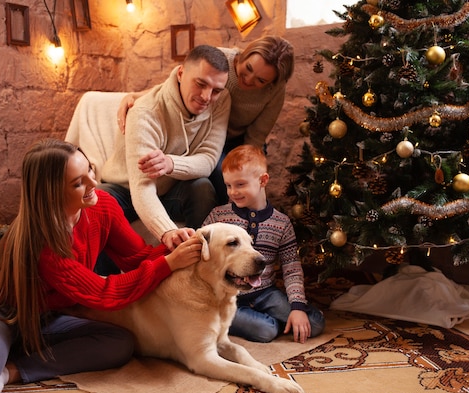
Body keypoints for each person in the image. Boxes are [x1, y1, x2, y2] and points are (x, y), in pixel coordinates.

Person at [0, 139, 202, 393]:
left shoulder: (103, 206)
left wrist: (171, 243)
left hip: (47, 314)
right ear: (50, 194)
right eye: (78, 183)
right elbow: (103, 293)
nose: (94, 184)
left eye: (90, 172)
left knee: (119, 343)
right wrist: (169, 264)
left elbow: (136, 257)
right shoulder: (43, 242)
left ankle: (10, 371)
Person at [117, 36, 295, 205]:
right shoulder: (221, 58)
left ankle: (247, 222)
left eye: (260, 80)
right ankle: (220, 219)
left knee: (247, 178)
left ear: (272, 83)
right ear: (244, 55)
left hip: (241, 140)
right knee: (219, 174)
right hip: (207, 130)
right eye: (248, 68)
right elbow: (178, 83)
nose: (248, 80)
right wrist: (136, 96)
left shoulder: (275, 91)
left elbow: (257, 135)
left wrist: (246, 165)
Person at [98, 45, 231, 251]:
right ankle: (108, 279)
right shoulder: (144, 112)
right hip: (125, 188)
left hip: (171, 188)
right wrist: (167, 231)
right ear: (180, 73)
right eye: (200, 84)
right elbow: (143, 186)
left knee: (202, 187)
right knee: (98, 202)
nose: (206, 96)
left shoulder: (221, 101)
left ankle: (202, 264)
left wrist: (170, 163)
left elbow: (208, 160)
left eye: (215, 90)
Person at [202, 145, 325, 343]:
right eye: (228, 185)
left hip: (265, 293)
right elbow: (202, 251)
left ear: (263, 180)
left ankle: (266, 319)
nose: (233, 192)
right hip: (227, 294)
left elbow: (291, 269)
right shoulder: (219, 216)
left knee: (314, 323)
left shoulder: (281, 223)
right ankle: (226, 317)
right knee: (266, 330)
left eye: (240, 184)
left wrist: (297, 307)